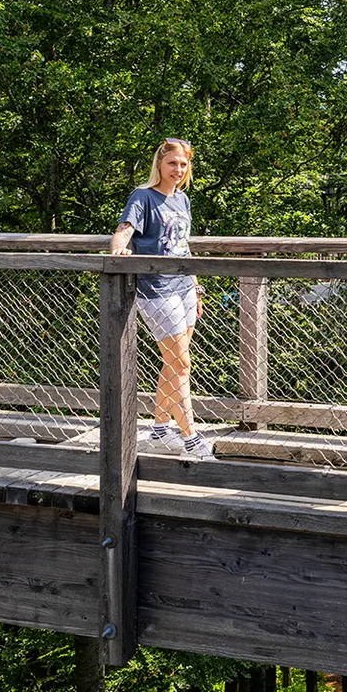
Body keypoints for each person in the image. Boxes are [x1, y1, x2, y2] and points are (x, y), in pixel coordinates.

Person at [110, 139, 212, 461]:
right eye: (172, 164)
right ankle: (191, 438)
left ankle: (158, 431)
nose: (178, 170)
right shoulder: (143, 196)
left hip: (183, 287)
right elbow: (125, 228)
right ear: (160, 164)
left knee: (174, 363)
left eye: (183, 165)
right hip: (157, 289)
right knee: (182, 364)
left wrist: (195, 286)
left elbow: (184, 245)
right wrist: (118, 250)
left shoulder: (182, 200)